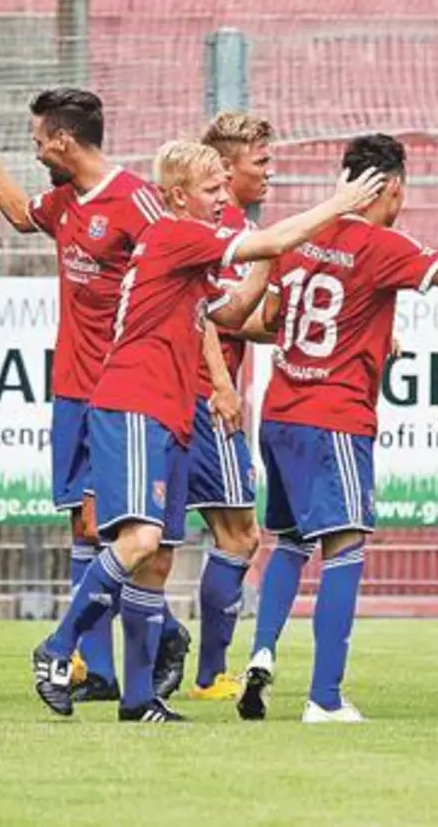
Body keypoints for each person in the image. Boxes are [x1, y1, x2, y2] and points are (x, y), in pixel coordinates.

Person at [30, 141, 385, 723]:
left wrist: (282, 271)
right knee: (140, 541)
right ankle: (59, 645)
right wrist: (338, 204)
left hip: (169, 415)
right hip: (134, 404)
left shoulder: (188, 256)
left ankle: (140, 699)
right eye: (212, 190)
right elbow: (265, 243)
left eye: (225, 188)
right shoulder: (174, 234)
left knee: (158, 563)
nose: (224, 198)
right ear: (176, 196)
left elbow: (238, 307)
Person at [235, 134, 438, 723]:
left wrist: (358, 337)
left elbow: (273, 321)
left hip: (278, 412)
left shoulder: (300, 235)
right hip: (334, 418)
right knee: (345, 546)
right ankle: (325, 698)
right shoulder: (381, 245)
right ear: (395, 186)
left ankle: (262, 653)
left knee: (290, 541)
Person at [0, 89, 192, 702]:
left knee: (110, 526)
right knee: (82, 524)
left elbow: (184, 285)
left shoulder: (138, 203)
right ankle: (102, 672)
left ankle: (153, 633)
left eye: (40, 141)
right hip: (71, 386)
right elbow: (17, 211)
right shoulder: (65, 201)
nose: (37, 152)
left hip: (122, 389)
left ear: (64, 139)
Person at [181, 112, 277, 701]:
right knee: (239, 535)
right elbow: (221, 315)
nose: (270, 171)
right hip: (202, 399)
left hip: (180, 394)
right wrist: (221, 383)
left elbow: (250, 318)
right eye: (259, 162)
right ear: (225, 167)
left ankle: (108, 662)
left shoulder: (227, 227)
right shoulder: (224, 231)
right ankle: (211, 674)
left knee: (152, 543)